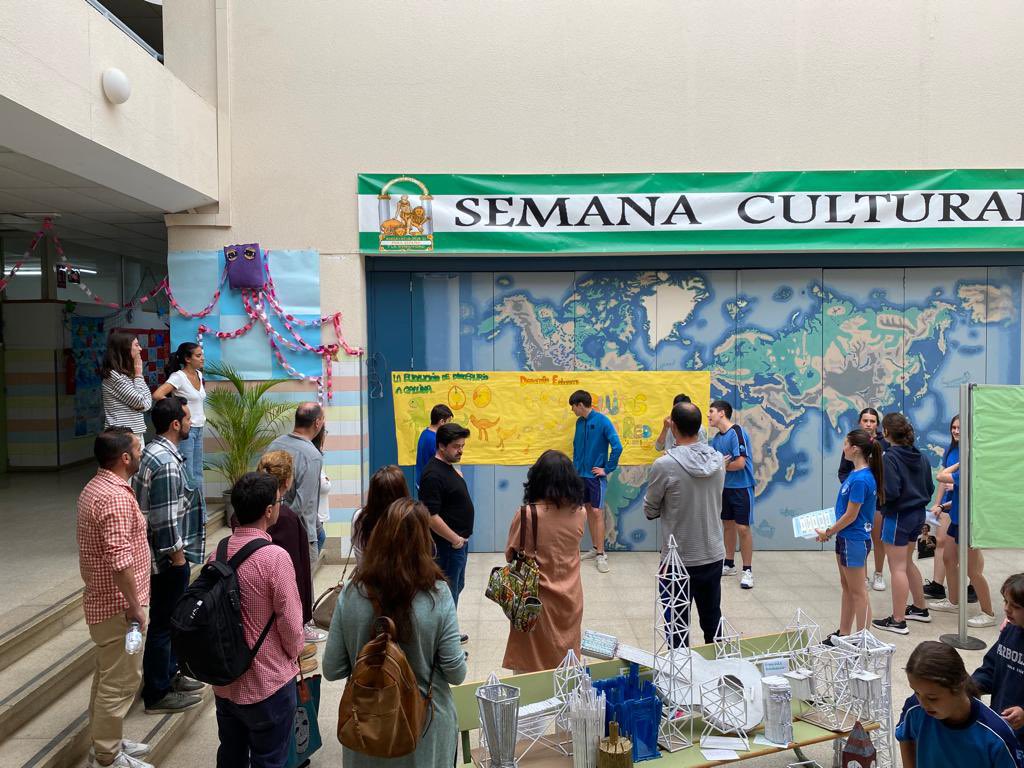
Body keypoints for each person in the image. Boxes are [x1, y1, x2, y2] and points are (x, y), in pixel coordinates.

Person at [323, 498, 468, 767]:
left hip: (367, 729)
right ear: (424, 542)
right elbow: (456, 673)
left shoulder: (353, 593)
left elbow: (332, 669)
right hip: (425, 729)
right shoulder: (437, 595)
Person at [212, 473, 305, 768]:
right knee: (270, 759)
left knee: (231, 754)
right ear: (268, 510)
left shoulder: (220, 550)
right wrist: (295, 654)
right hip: (268, 683)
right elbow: (290, 624)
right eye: (278, 501)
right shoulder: (275, 558)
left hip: (226, 681)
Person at [78, 428, 152, 768]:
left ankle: (107, 740)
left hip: (105, 603)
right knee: (119, 683)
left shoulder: (98, 487)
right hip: (119, 608)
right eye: (137, 448)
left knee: (107, 677)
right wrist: (136, 608)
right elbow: (120, 561)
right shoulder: (115, 498)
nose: (141, 453)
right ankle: (107, 756)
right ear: (125, 457)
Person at [133, 397, 205, 714]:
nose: (191, 424)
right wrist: (177, 558)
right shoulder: (165, 463)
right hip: (165, 561)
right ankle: (158, 691)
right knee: (163, 624)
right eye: (188, 419)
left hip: (165, 557)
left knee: (170, 621)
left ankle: (171, 675)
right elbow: (163, 520)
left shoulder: (158, 453)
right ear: (175, 423)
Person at [643, 402, 726, 647]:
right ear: (699, 427)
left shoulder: (664, 464)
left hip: (677, 559)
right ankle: (718, 674)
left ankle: (680, 681)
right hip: (712, 552)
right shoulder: (718, 460)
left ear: (673, 428)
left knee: (676, 628)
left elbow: (649, 510)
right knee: (713, 622)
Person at [502, 450, 586, 672]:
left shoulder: (528, 514)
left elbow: (511, 553)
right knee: (566, 659)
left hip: (535, 600)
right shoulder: (580, 512)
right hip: (571, 597)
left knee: (531, 663)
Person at [897, 640, 1024, 768]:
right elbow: (905, 736)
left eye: (932, 698)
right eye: (916, 692)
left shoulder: (996, 735)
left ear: (959, 685)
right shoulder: (914, 709)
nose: (923, 704)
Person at [815, 428, 883, 641]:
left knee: (859, 591)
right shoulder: (855, 474)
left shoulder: (862, 479)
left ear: (855, 449)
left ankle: (863, 640)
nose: (843, 448)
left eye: (845, 444)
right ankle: (844, 634)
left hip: (854, 539)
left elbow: (852, 515)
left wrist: (828, 531)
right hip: (845, 537)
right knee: (847, 587)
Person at [872, 412, 933, 634]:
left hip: (898, 516)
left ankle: (898, 620)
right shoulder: (921, 456)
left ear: (886, 432)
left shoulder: (889, 457)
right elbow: (930, 486)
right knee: (907, 563)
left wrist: (881, 501)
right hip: (918, 514)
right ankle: (919, 608)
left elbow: (891, 491)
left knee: (896, 567)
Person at [419, 423, 474, 638]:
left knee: (456, 588)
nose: (461, 450)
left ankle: (447, 633)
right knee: (446, 594)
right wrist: (454, 540)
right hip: (447, 545)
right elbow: (430, 516)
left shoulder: (449, 467)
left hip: (457, 544)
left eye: (462, 446)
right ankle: (445, 641)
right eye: (456, 446)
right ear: (441, 446)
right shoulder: (432, 474)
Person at [930, 457, 998, 626]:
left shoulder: (968, 471)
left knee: (972, 571)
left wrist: (960, 463)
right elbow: (961, 496)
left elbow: (941, 475)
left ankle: (988, 613)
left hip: (967, 524)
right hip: (956, 520)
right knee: (948, 558)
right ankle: (953, 601)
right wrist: (943, 506)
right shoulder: (965, 471)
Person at [267, 403, 325, 594]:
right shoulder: (312, 456)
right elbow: (302, 504)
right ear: (317, 423)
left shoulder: (275, 444)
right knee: (301, 588)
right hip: (299, 534)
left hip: (272, 526)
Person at [257, 451, 314, 633]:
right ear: (288, 481)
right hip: (281, 600)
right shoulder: (287, 518)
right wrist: (303, 615)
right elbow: (297, 569)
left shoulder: (245, 511)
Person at [569, 390, 622, 575]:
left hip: (595, 477)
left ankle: (601, 554)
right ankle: (594, 547)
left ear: (580, 405)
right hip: (580, 476)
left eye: (573, 407)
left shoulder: (602, 421)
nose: (573, 411)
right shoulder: (579, 422)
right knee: (588, 510)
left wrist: (606, 469)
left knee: (597, 512)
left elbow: (617, 446)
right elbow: (577, 447)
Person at [925, 415, 978, 603]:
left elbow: (972, 481)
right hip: (949, 504)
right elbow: (942, 479)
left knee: (971, 551)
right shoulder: (950, 450)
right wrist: (937, 504)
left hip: (965, 506)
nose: (956, 431)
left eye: (959, 428)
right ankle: (939, 586)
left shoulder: (972, 452)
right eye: (953, 427)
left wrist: (956, 486)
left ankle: (974, 585)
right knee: (942, 543)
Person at [838, 407, 890, 591]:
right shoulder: (852, 446)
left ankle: (879, 574)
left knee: (877, 537)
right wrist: (853, 486)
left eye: (872, 421)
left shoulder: (884, 445)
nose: (868, 424)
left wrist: (873, 487)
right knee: (860, 538)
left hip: (877, 500)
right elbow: (843, 471)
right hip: (858, 498)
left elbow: (888, 474)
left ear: (877, 424)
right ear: (860, 422)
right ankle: (863, 576)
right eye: (865, 420)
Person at [707, 399, 756, 589]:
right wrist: (723, 465)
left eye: (711, 411)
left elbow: (740, 463)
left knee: (742, 528)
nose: (709, 415)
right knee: (727, 525)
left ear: (722, 413)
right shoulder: (717, 439)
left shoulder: (737, 432)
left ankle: (748, 570)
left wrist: (722, 465)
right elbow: (718, 465)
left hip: (742, 488)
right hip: (724, 488)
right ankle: (728, 563)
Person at [973, 573, 1024, 750]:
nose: (1007, 609)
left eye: (1015, 606)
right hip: (1000, 725)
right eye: (1005, 602)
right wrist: (972, 685)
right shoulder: (1010, 631)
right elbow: (991, 667)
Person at [153, 343, 206, 493]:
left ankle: (199, 510)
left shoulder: (199, 374)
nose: (202, 358)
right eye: (198, 355)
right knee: (187, 471)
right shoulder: (178, 377)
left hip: (199, 427)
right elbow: (157, 395)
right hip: (185, 430)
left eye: (202, 355)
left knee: (197, 470)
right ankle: (187, 508)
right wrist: (179, 408)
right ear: (187, 359)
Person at [350, 464, 410, 568]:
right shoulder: (409, 518)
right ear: (403, 493)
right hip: (404, 581)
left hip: (368, 579)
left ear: (372, 494)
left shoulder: (360, 517)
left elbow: (360, 557)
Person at [102, 332, 152, 446]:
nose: (140, 349)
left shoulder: (127, 375)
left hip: (133, 433)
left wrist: (137, 375)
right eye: (136, 345)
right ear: (124, 349)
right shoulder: (114, 376)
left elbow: (147, 404)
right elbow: (142, 403)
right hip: (122, 436)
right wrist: (139, 374)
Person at [415, 403, 453, 491]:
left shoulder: (425, 433)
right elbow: (441, 464)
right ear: (442, 422)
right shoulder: (434, 440)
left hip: (422, 481)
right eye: (448, 422)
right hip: (429, 485)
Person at [312, 425, 329, 555]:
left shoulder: (316, 457)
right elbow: (323, 485)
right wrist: (327, 481)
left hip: (318, 512)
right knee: (320, 538)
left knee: (319, 538)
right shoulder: (313, 456)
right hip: (314, 512)